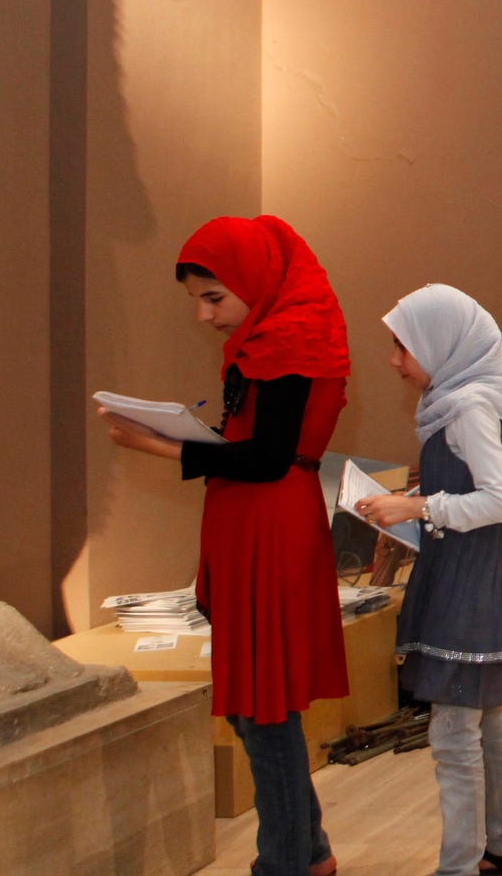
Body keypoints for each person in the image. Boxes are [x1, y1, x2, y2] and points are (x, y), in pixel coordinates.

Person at [100, 215, 349, 876]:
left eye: (214, 298)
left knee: (263, 708)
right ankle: (308, 853)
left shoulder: (289, 337)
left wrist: (156, 443)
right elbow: (257, 447)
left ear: (254, 281)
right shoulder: (269, 336)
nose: (205, 316)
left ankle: (285, 862)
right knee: (254, 707)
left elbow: (267, 459)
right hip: (255, 523)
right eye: (197, 301)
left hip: (271, 524)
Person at [354, 284, 502, 876]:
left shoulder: (469, 406)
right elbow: (466, 492)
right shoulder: (463, 402)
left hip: (470, 588)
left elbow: (501, 501)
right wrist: (408, 506)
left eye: (402, 347)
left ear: (442, 343)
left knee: (454, 734)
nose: (394, 360)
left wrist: (416, 507)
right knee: (488, 718)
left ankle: (457, 865)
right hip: (469, 577)